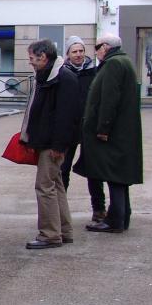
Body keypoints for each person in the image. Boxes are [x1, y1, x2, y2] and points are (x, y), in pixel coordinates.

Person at [75, 33, 143, 233]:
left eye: (97, 47)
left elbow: (109, 99)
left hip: (113, 133)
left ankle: (115, 221)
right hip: (122, 132)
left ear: (105, 47)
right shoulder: (124, 62)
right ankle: (121, 217)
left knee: (114, 175)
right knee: (119, 177)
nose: (95, 52)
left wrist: (103, 128)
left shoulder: (113, 64)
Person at [22, 39, 79, 250]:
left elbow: (66, 115)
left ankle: (50, 234)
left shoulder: (63, 78)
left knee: (45, 186)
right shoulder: (50, 76)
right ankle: (64, 230)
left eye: (31, 58)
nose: (30, 63)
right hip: (49, 141)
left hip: (52, 143)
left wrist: (58, 145)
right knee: (55, 185)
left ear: (43, 57)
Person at [60, 36, 107, 224]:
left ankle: (99, 209)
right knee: (63, 170)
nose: (78, 55)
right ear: (68, 54)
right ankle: (59, 210)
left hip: (89, 128)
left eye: (81, 51)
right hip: (68, 129)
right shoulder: (62, 73)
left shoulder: (94, 72)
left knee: (93, 170)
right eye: (74, 51)